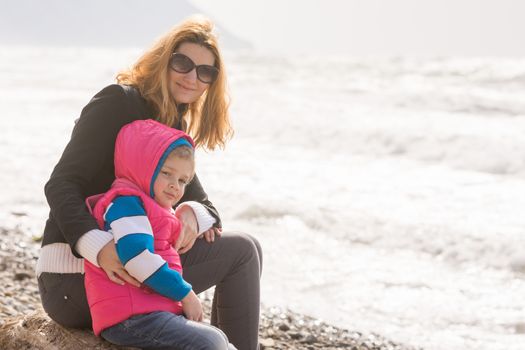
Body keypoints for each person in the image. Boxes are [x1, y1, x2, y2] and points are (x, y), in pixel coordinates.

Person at [36, 15, 262, 350]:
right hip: (75, 278)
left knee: (248, 247)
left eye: (205, 71)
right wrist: (99, 247)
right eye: (183, 63)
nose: (191, 77)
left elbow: (205, 204)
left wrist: (191, 212)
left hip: (137, 265)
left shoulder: (170, 124)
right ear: (163, 59)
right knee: (242, 251)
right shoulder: (118, 102)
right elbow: (61, 183)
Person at [84, 119, 235, 349]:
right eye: (167, 173)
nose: (175, 186)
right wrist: (186, 294)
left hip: (149, 309)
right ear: (142, 167)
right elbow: (138, 258)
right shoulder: (127, 204)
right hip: (129, 316)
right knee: (211, 342)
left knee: (218, 337)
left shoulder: (155, 207)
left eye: (183, 180)